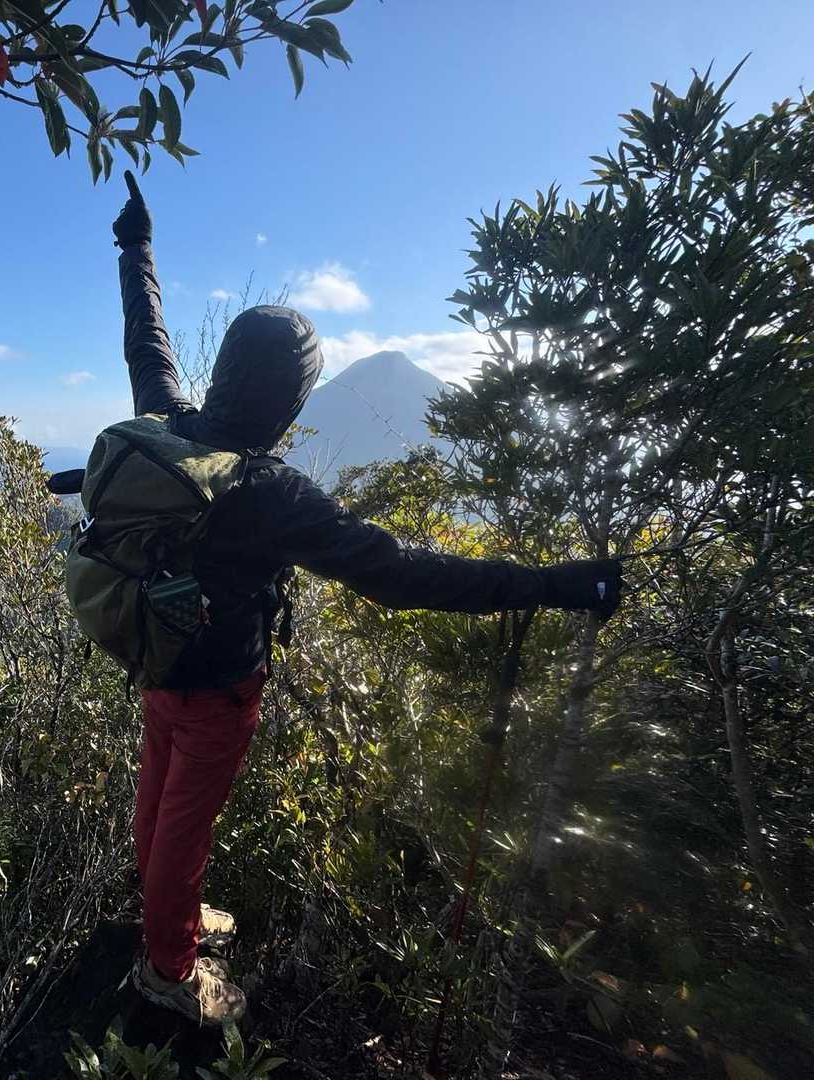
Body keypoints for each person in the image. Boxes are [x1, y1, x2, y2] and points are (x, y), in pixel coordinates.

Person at [106, 173, 623, 1025]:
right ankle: (169, 970)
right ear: (289, 397)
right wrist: (553, 585)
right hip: (220, 687)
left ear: (229, 370)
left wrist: (136, 248)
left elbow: (148, 347)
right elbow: (405, 575)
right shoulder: (271, 492)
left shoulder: (168, 428)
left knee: (158, 803)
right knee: (184, 828)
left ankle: (171, 918)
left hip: (156, 657)